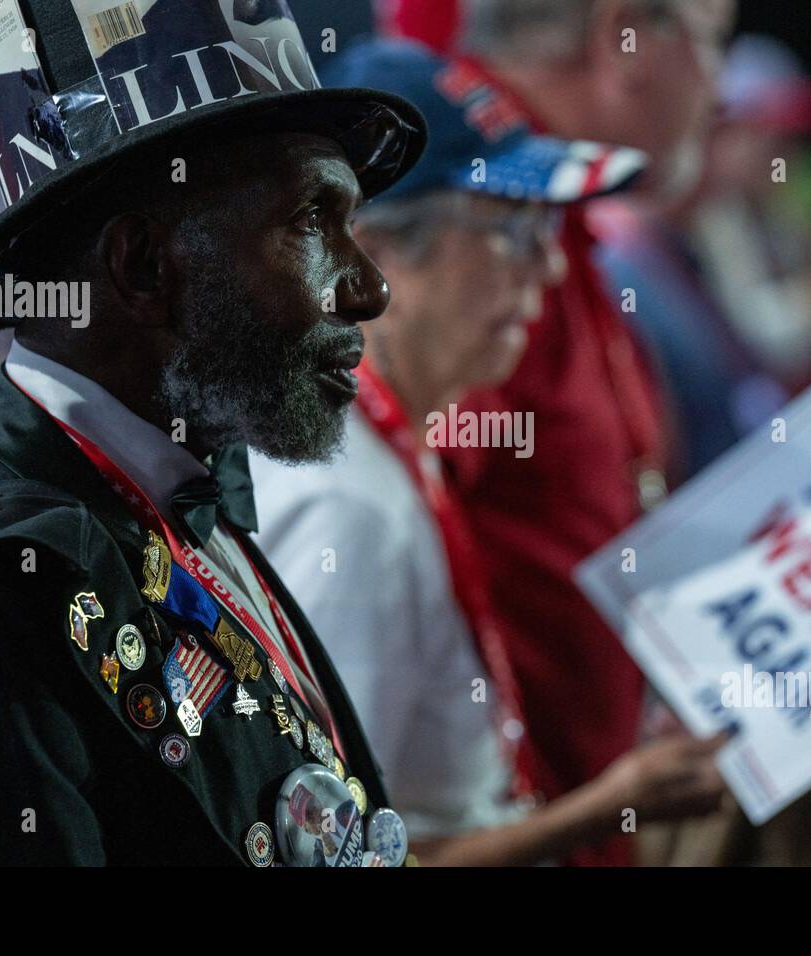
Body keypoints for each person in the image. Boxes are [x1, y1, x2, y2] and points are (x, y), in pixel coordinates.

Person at [0, 1, 428, 867]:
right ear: (143, 266)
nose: (369, 289)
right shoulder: (2, 599)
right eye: (314, 221)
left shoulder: (177, 473)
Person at [251, 41, 725, 866]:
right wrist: (611, 807)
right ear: (375, 248)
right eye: (510, 229)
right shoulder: (346, 502)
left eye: (548, 229)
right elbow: (319, 861)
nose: (547, 268)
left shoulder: (379, 449)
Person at [385, 0, 733, 865]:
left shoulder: (550, 234)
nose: (719, 88)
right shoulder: (481, 246)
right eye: (714, 41)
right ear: (629, 37)